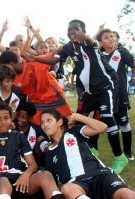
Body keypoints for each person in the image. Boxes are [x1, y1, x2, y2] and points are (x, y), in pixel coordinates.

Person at [32, 19, 128, 174]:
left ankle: (119, 157)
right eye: (69, 29)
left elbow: (90, 39)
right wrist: (35, 58)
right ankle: (89, 148)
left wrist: (84, 37)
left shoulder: (89, 43)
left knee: (107, 117)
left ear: (83, 31)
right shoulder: (68, 47)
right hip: (89, 91)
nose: (71, 32)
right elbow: (53, 59)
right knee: (75, 119)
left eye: (75, 29)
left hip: (106, 85)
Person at [0, 100, 65, 199]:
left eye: (6, 118)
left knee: (46, 175)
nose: (3, 122)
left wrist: (26, 175)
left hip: (20, 178)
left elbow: (33, 164)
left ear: (11, 119)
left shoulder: (18, 136)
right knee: (3, 181)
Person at [41, 109, 135, 199]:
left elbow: (102, 127)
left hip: (101, 175)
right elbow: (52, 183)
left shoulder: (74, 132)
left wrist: (77, 116)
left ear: (60, 122)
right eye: (42, 122)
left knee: (128, 195)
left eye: (49, 120)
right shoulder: (49, 154)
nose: (45, 124)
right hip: (77, 184)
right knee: (67, 189)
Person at [97, 28, 135, 161]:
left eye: (113, 36)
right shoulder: (99, 56)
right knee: (109, 123)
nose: (111, 38)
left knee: (124, 123)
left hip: (121, 95)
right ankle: (117, 155)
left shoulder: (122, 53)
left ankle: (128, 152)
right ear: (101, 42)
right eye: (107, 37)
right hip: (105, 96)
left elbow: (133, 65)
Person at [15, 102, 49, 167]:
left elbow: (41, 139)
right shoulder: (13, 128)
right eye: (18, 116)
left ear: (30, 119)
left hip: (33, 163)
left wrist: (45, 146)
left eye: (23, 117)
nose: (19, 119)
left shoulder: (36, 129)